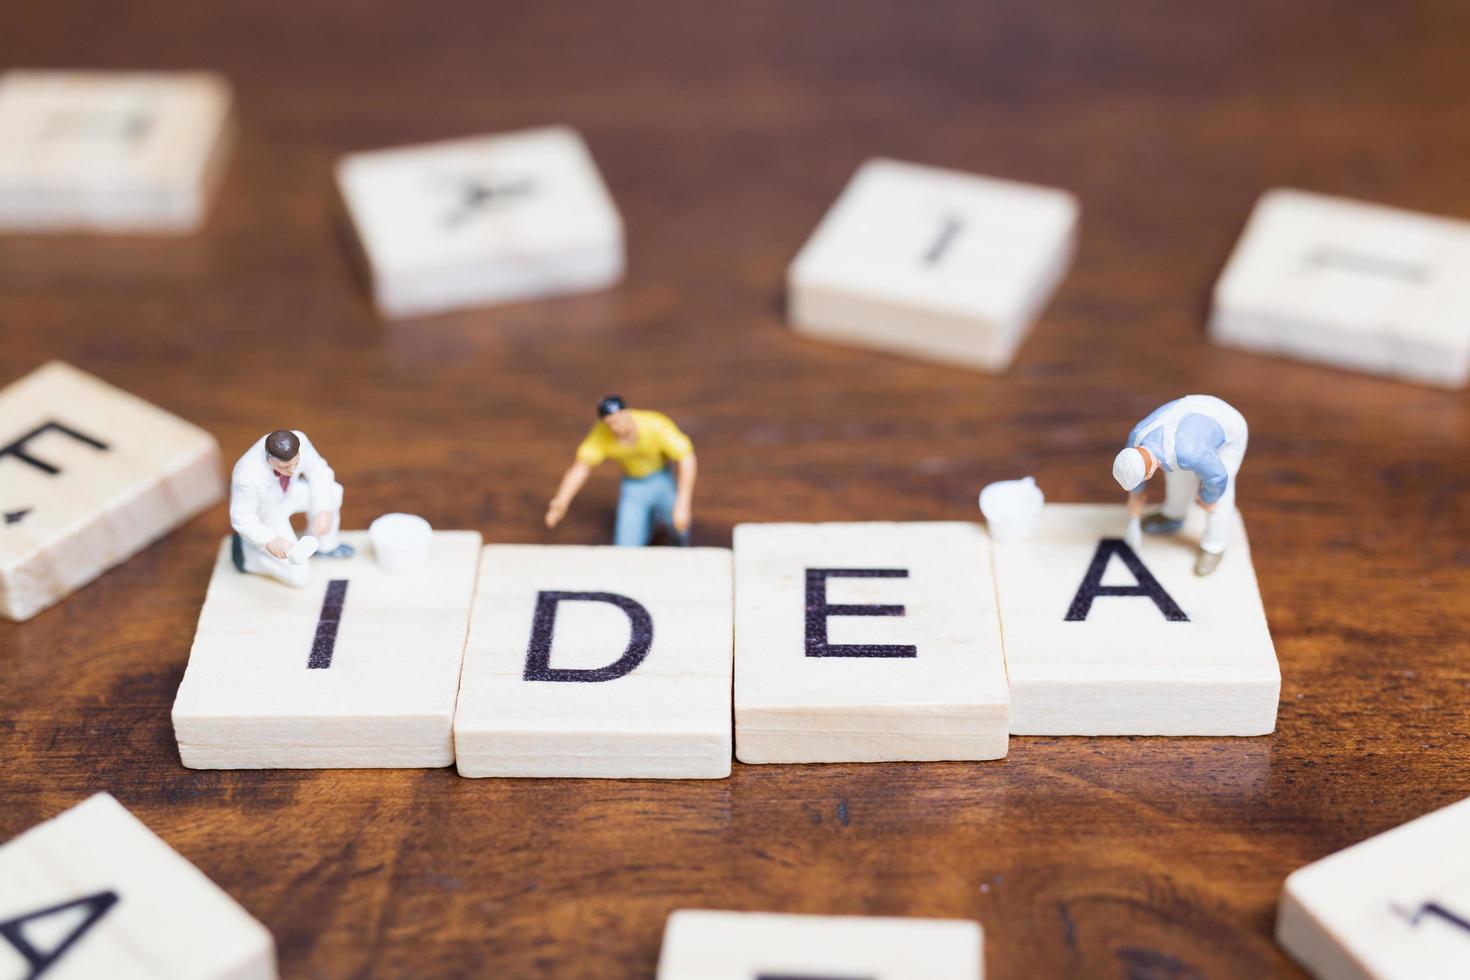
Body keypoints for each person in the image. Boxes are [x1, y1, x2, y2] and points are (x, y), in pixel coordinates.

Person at [1111, 395, 1248, 576]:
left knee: (1221, 497)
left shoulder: (1189, 454)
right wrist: (1135, 495)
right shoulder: (1137, 436)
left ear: (1149, 473)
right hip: (1191, 419)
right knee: (1177, 479)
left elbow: (1218, 476)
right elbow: (1133, 472)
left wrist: (1208, 498)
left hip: (1228, 431)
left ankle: (1215, 545)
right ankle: (1174, 516)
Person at [546, 395, 697, 547]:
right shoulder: (602, 434)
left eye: (619, 419)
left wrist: (683, 502)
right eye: (610, 423)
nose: (616, 427)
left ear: (627, 413)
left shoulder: (655, 424)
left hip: (661, 481)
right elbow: (581, 467)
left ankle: (680, 546)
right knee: (625, 545)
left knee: (679, 525)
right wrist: (562, 500)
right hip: (633, 486)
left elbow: (686, 458)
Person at [229, 429, 353, 587]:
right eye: (285, 467)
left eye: (296, 463)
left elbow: (319, 471)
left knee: (333, 492)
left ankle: (324, 545)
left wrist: (322, 509)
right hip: (268, 515)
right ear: (269, 459)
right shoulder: (247, 476)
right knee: (300, 578)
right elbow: (242, 517)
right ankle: (247, 557)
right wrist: (269, 540)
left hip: (288, 494)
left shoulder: (300, 441)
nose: (293, 470)